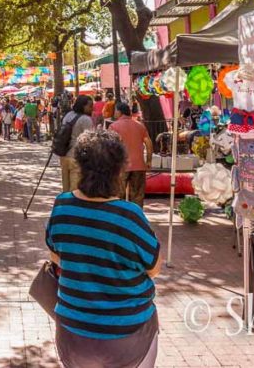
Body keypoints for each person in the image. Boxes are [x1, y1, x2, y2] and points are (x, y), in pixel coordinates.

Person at [46, 129, 162, 368]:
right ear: (119, 169)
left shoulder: (62, 206)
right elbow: (154, 268)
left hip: (73, 332)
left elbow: (55, 256)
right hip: (129, 333)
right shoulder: (130, 215)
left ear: (79, 165)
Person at [110, 102, 151, 207]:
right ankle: (136, 217)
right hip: (139, 165)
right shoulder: (140, 125)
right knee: (137, 196)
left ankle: (119, 218)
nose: (114, 113)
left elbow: (110, 146)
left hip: (121, 165)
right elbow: (148, 143)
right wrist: (149, 159)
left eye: (115, 110)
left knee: (118, 195)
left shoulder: (114, 126)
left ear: (119, 112)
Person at [59, 95, 95, 193]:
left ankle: (65, 206)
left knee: (66, 189)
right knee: (75, 190)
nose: (92, 108)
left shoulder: (68, 115)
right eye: (90, 106)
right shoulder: (86, 119)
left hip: (64, 155)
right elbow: (91, 140)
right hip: (76, 158)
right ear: (83, 106)